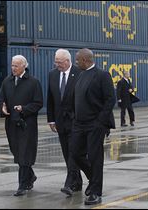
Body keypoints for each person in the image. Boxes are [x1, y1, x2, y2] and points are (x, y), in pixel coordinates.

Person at [71, 48, 116, 205]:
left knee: (95, 157)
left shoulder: (102, 75)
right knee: (75, 154)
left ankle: (96, 192)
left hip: (95, 124)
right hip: (79, 124)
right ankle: (94, 178)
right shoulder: (81, 75)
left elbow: (111, 99)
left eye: (77, 60)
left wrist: (100, 122)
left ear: (85, 60)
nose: (76, 63)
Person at [0, 55, 43, 196]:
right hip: (11, 123)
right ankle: (30, 176)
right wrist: (2, 107)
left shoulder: (33, 82)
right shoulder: (7, 81)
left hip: (26, 124)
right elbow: (1, 98)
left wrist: (23, 109)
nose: (13, 68)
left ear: (24, 66)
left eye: (16, 66)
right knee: (16, 153)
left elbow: (38, 103)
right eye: (12, 65)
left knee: (24, 153)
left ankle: (22, 185)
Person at [46, 49, 83, 196]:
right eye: (56, 62)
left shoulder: (79, 73)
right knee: (66, 151)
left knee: (73, 152)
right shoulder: (53, 74)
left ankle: (69, 183)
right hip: (60, 121)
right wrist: (51, 119)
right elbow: (51, 99)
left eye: (59, 62)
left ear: (67, 61)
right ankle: (77, 182)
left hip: (76, 120)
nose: (57, 65)